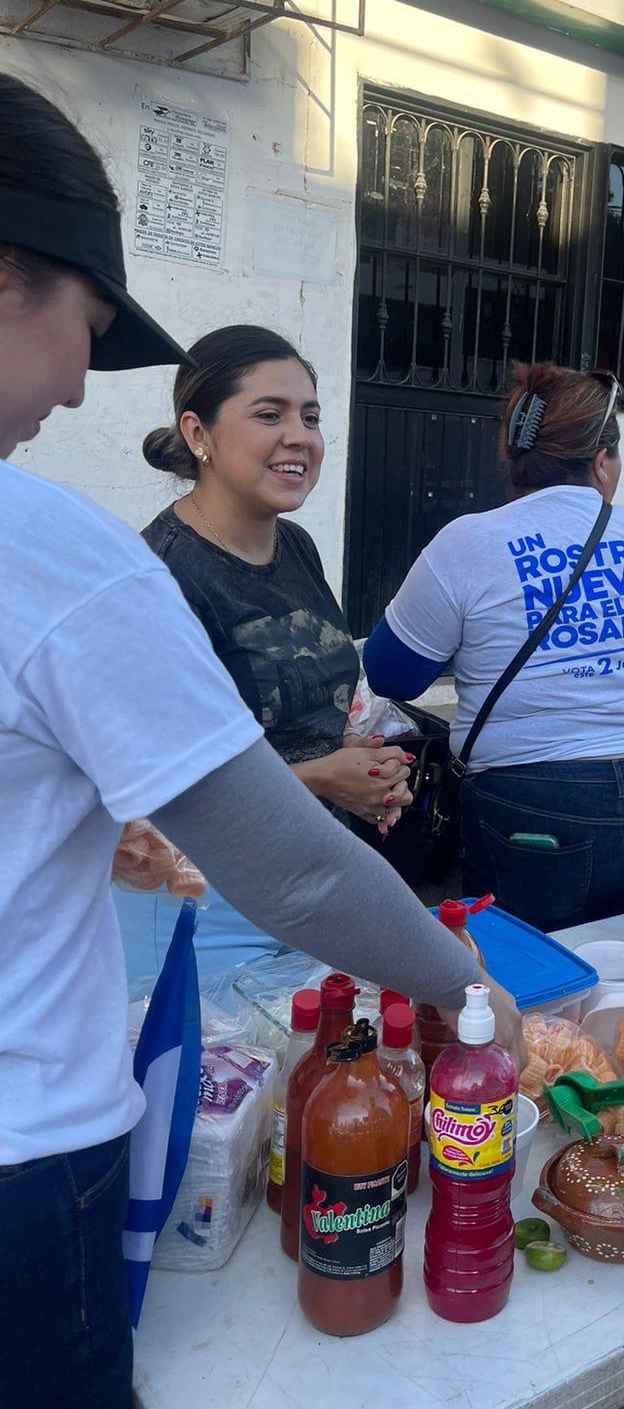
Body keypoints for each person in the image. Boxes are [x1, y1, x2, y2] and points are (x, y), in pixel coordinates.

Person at [0, 74, 521, 1409]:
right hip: (45, 1114)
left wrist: (364, 761)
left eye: (311, 413)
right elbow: (261, 853)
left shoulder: (283, 550)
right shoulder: (78, 557)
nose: (69, 382)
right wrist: (471, 996)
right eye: (81, 332)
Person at [363, 361, 624, 930]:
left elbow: (392, 674)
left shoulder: (469, 543)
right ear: (601, 462)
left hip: (533, 803)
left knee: (524, 986)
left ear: (517, 463)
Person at [119, 326, 409, 976]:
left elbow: (311, 709)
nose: (299, 436)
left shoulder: (297, 547)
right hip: (204, 904)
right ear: (199, 435)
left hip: (307, 873)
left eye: (310, 416)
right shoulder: (159, 577)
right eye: (268, 414)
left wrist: (365, 769)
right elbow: (148, 800)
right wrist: (321, 779)